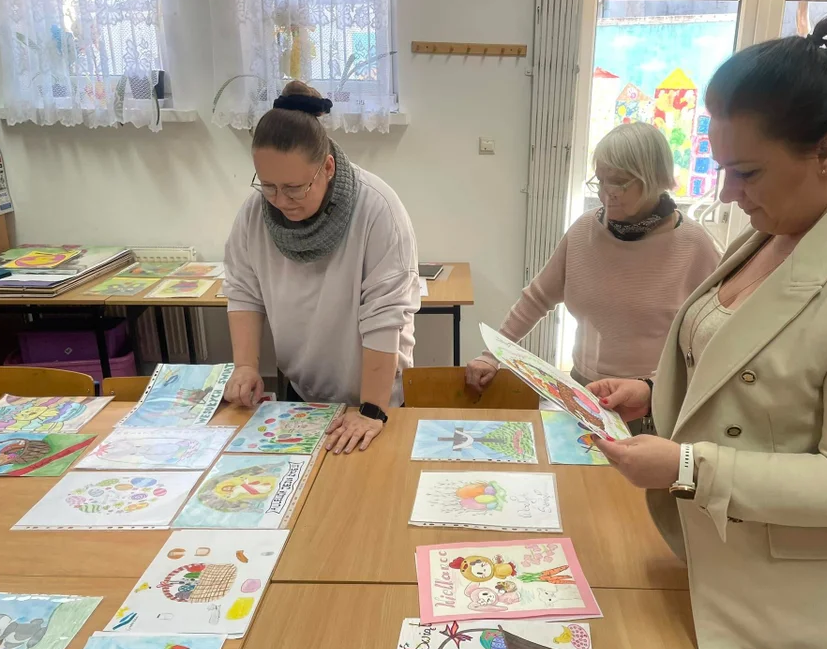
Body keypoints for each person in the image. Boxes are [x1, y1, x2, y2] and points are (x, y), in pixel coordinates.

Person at [588, 17, 827, 649]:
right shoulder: (776, 229)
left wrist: (687, 465)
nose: (727, 193)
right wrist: (652, 391)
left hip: (802, 612)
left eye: (746, 172)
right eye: (724, 168)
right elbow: (746, 367)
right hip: (717, 566)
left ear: (826, 152)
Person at [466, 122, 719, 431]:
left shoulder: (694, 245)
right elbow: (536, 299)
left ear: (653, 178)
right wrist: (491, 356)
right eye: (600, 180)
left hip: (649, 404)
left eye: (619, 182)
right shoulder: (585, 231)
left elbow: (714, 339)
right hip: (584, 391)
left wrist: (654, 389)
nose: (605, 193)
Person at [223, 80, 420, 454]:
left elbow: (386, 315)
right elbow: (244, 290)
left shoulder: (377, 210)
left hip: (374, 399)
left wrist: (372, 410)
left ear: (327, 167)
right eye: (268, 186)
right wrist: (246, 366)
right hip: (304, 393)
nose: (281, 201)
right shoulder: (254, 215)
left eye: (294, 188)